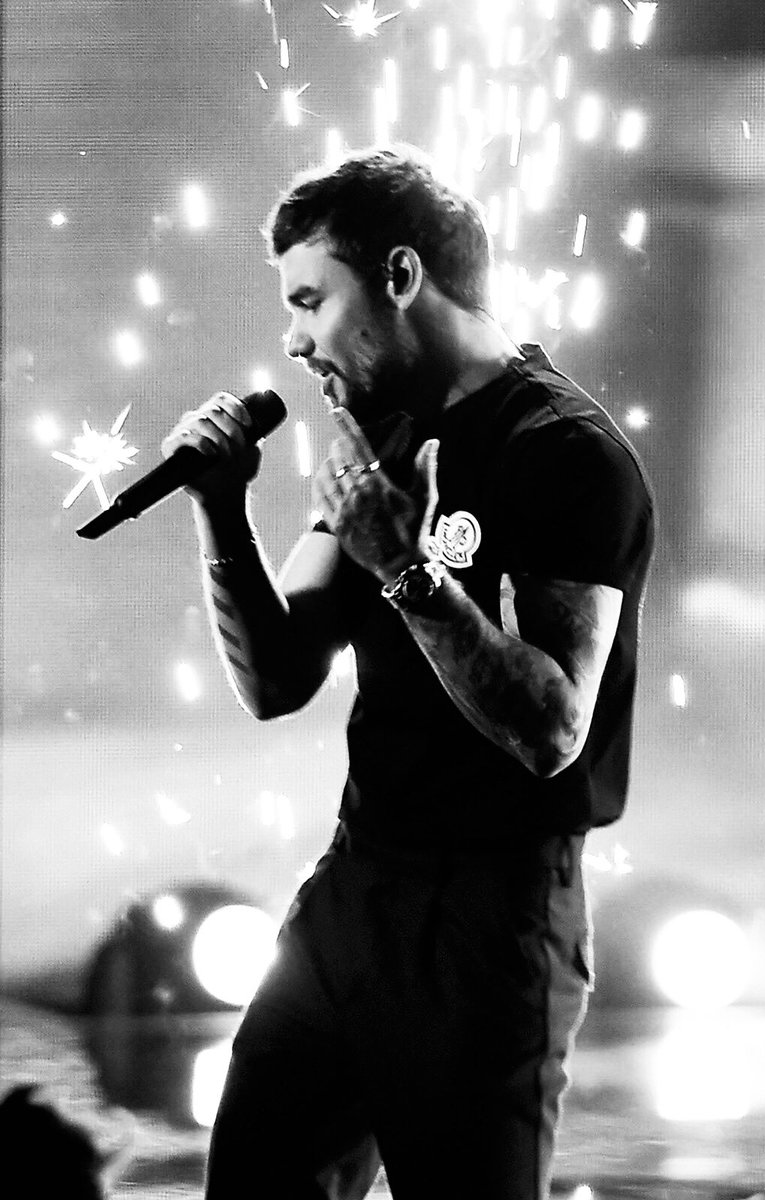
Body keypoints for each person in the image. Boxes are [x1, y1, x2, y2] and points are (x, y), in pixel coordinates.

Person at [162, 144, 655, 1200]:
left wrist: (404, 568)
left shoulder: (565, 452)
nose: (293, 340)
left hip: (491, 916)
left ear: (398, 275)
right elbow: (277, 679)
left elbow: (550, 730)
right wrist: (220, 508)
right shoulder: (381, 437)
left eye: (310, 301)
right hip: (356, 889)